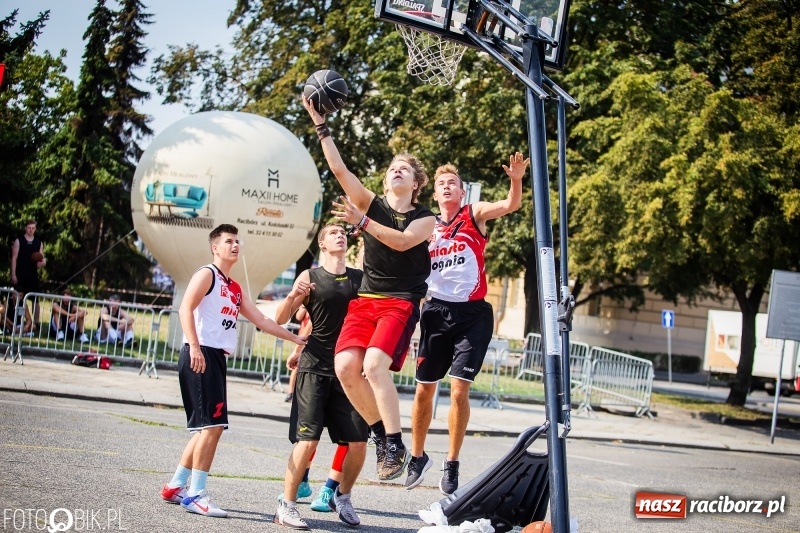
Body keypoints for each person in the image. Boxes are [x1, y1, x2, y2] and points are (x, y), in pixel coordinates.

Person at [303, 96, 436, 482]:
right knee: (346, 367)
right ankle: (383, 436)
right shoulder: (370, 202)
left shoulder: (425, 219)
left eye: (404, 170)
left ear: (416, 183)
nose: (397, 171)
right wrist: (320, 124)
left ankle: (395, 442)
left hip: (399, 301)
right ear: (385, 180)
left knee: (374, 366)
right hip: (367, 299)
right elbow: (339, 168)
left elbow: (400, 241)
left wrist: (362, 224)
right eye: (393, 168)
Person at [160, 223, 307, 518]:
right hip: (200, 354)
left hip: (216, 357)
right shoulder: (207, 274)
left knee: (207, 427)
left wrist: (296, 337)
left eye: (238, 241)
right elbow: (185, 308)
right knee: (213, 428)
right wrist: (196, 347)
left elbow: (262, 321)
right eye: (229, 241)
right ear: (216, 247)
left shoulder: (234, 287)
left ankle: (176, 486)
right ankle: (196, 495)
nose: (235, 245)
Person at [405, 154, 529, 494]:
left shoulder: (472, 214)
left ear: (462, 193)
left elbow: (510, 204)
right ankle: (417, 456)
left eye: (452, 183)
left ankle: (452, 461)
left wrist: (516, 179)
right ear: (435, 195)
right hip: (435, 312)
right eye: (442, 184)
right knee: (424, 390)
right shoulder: (425, 226)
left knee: (459, 390)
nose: (447, 187)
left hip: (473, 314)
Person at [273, 223, 368, 529]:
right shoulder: (310, 277)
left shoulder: (358, 278)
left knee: (358, 441)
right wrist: (293, 298)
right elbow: (281, 318)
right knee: (308, 439)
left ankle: (342, 496)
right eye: (332, 233)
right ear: (323, 244)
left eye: (343, 232)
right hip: (315, 367)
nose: (340, 234)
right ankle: (286, 506)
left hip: (348, 372)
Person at [10, 219, 45, 327]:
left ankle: (36, 322)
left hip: (32, 275)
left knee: (35, 299)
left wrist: (42, 263)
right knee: (18, 298)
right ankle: (18, 320)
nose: (31, 230)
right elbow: (14, 258)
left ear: (35, 229)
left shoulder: (39, 243)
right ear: (25, 228)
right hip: (20, 273)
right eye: (29, 228)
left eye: (33, 228)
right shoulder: (19, 241)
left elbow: (41, 259)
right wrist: (13, 274)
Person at [284, 306, 311, 403]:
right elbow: (299, 317)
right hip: (302, 339)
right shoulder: (306, 305)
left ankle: (300, 393)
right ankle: (290, 392)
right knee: (296, 366)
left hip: (312, 340)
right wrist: (304, 307)